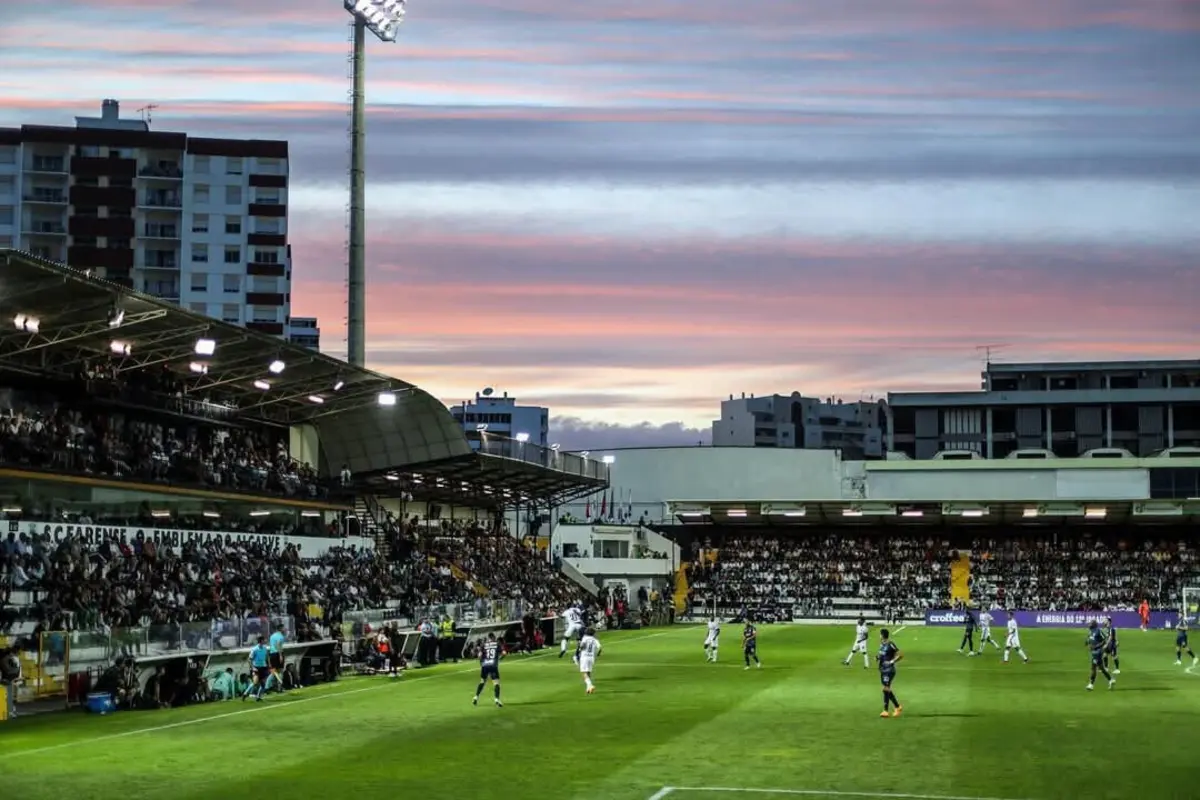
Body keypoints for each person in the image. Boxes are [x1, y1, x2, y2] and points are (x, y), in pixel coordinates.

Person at [877, 627, 903, 718]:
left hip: (889, 670)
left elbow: (900, 655)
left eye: (880, 634)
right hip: (883, 669)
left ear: (882, 635)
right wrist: (878, 658)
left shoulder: (890, 644)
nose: (879, 636)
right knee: (886, 689)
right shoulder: (882, 645)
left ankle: (886, 711)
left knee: (886, 688)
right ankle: (897, 707)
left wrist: (892, 661)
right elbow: (882, 655)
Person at [472, 633, 503, 708]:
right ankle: (496, 699)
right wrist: (500, 659)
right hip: (493, 665)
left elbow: (479, 655)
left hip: (485, 665)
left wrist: (482, 663)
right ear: (493, 637)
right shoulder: (497, 644)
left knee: (482, 681)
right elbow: (504, 653)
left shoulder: (484, 644)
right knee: (496, 683)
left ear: (488, 638)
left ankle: (476, 697)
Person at [1086, 620, 1115, 691]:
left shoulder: (1098, 631)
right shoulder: (1091, 632)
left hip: (1098, 652)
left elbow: (1104, 640)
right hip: (1094, 652)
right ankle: (1111, 680)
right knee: (1101, 668)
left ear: (1094, 625)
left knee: (1093, 668)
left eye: (1090, 624)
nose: (1089, 625)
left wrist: (1097, 646)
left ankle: (1091, 684)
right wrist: (1087, 642)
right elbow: (1090, 639)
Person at [243, 636, 271, 702]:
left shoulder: (265, 648)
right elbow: (249, 659)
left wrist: (269, 664)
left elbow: (267, 657)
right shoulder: (255, 649)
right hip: (256, 667)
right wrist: (252, 667)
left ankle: (258, 697)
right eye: (264, 639)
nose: (266, 640)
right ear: (261, 641)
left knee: (263, 684)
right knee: (255, 682)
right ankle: (245, 693)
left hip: (263, 667)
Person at [577, 626, 602, 694]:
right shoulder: (595, 640)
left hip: (584, 657)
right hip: (591, 658)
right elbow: (600, 648)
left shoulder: (585, 638)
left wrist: (580, 649)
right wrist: (598, 654)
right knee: (588, 672)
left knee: (584, 672)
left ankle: (590, 685)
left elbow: (582, 646)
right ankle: (588, 688)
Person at [267, 625, 287, 693]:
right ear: (281, 629)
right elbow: (278, 645)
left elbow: (271, 645)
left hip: (272, 654)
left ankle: (267, 686)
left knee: (273, 672)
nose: (285, 629)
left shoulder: (272, 636)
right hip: (278, 654)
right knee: (280, 671)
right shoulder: (281, 636)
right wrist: (280, 655)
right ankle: (279, 688)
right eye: (284, 628)